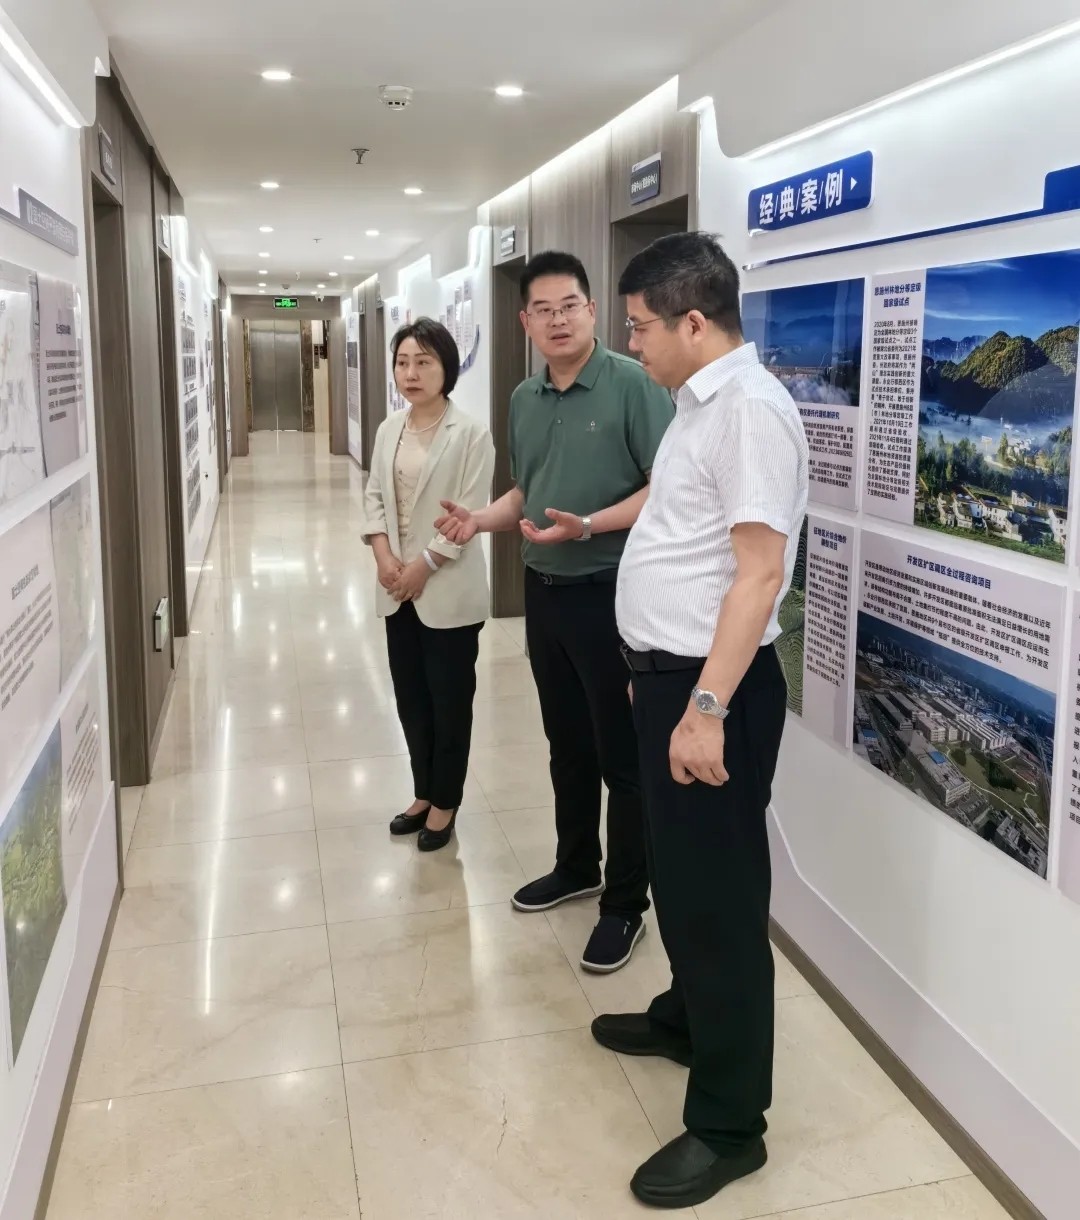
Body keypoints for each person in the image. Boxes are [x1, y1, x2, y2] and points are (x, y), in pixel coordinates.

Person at [592, 232, 808, 1209]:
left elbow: (759, 574)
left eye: (640, 327)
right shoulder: (697, 405)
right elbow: (685, 535)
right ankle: (687, 1017)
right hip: (673, 680)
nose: (631, 343)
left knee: (718, 905)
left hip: (713, 693)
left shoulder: (750, 411)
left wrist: (706, 707)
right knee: (681, 881)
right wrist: (651, 672)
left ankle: (729, 1126)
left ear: (692, 321)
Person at [436, 251, 673, 972]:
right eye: (543, 310)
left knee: (621, 757)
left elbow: (666, 489)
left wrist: (589, 526)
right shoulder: (523, 397)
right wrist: (479, 520)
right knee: (566, 743)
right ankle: (577, 866)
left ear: (592, 310)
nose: (558, 320)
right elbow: (526, 492)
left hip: (612, 593)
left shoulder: (634, 384)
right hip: (544, 592)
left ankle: (626, 904)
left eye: (570, 305)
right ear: (526, 322)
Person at [361, 318, 495, 852]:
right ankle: (422, 793)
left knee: (450, 702)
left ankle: (445, 802)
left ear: (447, 368)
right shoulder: (388, 429)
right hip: (396, 589)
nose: (411, 373)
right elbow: (374, 495)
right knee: (411, 699)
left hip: (448, 589)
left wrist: (423, 565)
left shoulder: (471, 432)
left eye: (423, 362)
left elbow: (470, 511)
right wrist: (383, 555)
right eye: (402, 362)